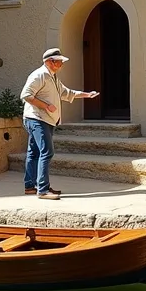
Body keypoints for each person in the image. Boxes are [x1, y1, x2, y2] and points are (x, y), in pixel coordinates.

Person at [19, 48, 98, 200]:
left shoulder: (52, 77)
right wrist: (46, 106)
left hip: (44, 119)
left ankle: (29, 186)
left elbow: (66, 93)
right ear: (50, 62)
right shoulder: (39, 75)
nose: (61, 64)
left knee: (34, 152)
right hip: (37, 119)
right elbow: (26, 95)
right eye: (59, 61)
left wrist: (87, 95)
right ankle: (43, 190)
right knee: (46, 152)